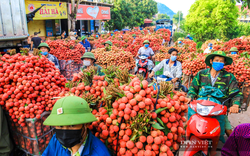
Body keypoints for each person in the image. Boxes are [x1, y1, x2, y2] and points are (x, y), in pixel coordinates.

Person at [187, 51, 243, 137]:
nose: (219, 62)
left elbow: (236, 93)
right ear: (211, 61)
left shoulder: (229, 77)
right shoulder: (201, 74)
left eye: (221, 61)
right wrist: (190, 97)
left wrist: (235, 105)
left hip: (218, 109)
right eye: (217, 60)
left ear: (224, 63)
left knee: (227, 129)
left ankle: (235, 146)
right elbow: (193, 88)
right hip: (200, 106)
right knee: (189, 124)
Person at [42, 96, 111, 156]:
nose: (65, 132)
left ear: (86, 124)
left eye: (72, 125)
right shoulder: (56, 140)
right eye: (60, 126)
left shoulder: (100, 153)